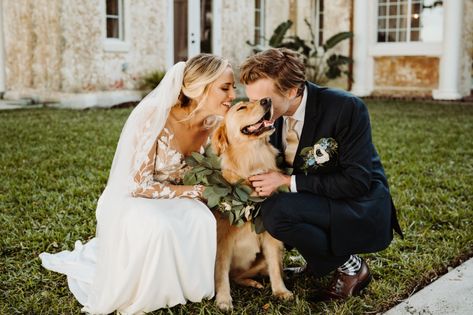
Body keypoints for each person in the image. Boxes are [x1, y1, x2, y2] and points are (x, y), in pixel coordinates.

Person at [40, 53, 236, 314]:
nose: (233, 94)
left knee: (201, 221)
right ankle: (152, 291)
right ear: (199, 87)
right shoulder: (154, 116)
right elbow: (137, 184)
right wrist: (195, 190)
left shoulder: (216, 124)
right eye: (226, 87)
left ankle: (191, 290)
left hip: (180, 198)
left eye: (233, 87)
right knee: (161, 227)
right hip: (135, 198)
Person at [240, 48, 403, 301]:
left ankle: (351, 267)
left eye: (263, 102)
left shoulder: (345, 107)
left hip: (357, 202)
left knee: (278, 212)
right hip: (317, 196)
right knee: (268, 207)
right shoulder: (272, 115)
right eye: (252, 100)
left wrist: (286, 181)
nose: (257, 108)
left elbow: (356, 182)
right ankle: (318, 262)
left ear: (292, 91)